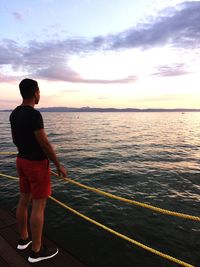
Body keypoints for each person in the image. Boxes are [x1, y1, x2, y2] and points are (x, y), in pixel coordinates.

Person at [9, 78, 67, 263]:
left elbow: (14, 139)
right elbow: (44, 143)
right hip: (35, 165)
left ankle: (23, 239)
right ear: (35, 93)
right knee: (38, 206)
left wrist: (25, 150)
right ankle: (36, 251)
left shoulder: (14, 114)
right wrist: (58, 164)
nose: (39, 95)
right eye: (39, 91)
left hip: (21, 160)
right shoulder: (34, 115)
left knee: (23, 200)